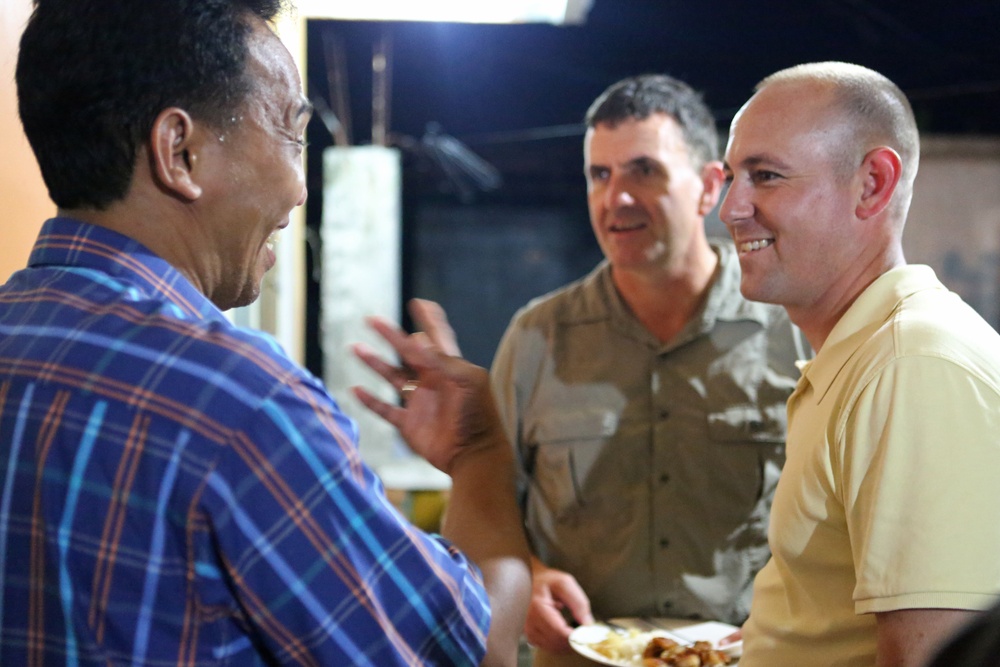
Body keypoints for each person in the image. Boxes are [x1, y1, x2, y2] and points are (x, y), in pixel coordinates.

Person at [0, 1, 530, 665]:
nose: (299, 188)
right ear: (180, 151)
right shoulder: (240, 404)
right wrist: (479, 452)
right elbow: (474, 650)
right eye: (291, 133)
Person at [490, 74, 806, 665]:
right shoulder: (537, 337)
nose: (617, 198)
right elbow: (486, 507)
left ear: (710, 187)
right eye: (599, 175)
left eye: (644, 171)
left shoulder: (790, 331)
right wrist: (526, 575)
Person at [720, 61, 1000, 667]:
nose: (730, 209)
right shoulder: (869, 351)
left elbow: (927, 656)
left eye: (764, 176)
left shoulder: (912, 365)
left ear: (872, 184)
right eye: (730, 177)